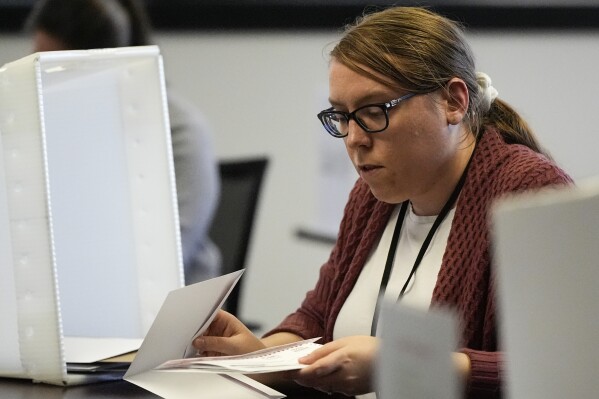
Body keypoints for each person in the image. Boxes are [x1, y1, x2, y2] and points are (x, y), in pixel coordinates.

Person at [194, 6, 573, 399]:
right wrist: (257, 357)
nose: (354, 138)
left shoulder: (529, 193)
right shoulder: (372, 196)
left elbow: (565, 366)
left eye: (374, 111)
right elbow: (317, 317)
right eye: (342, 116)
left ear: (454, 102)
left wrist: (405, 362)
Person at [25, 0, 222, 285]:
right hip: (70, 299)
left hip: (169, 314)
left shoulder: (180, 131)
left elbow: (164, 260)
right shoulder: (43, 128)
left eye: (54, 72)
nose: (42, 86)